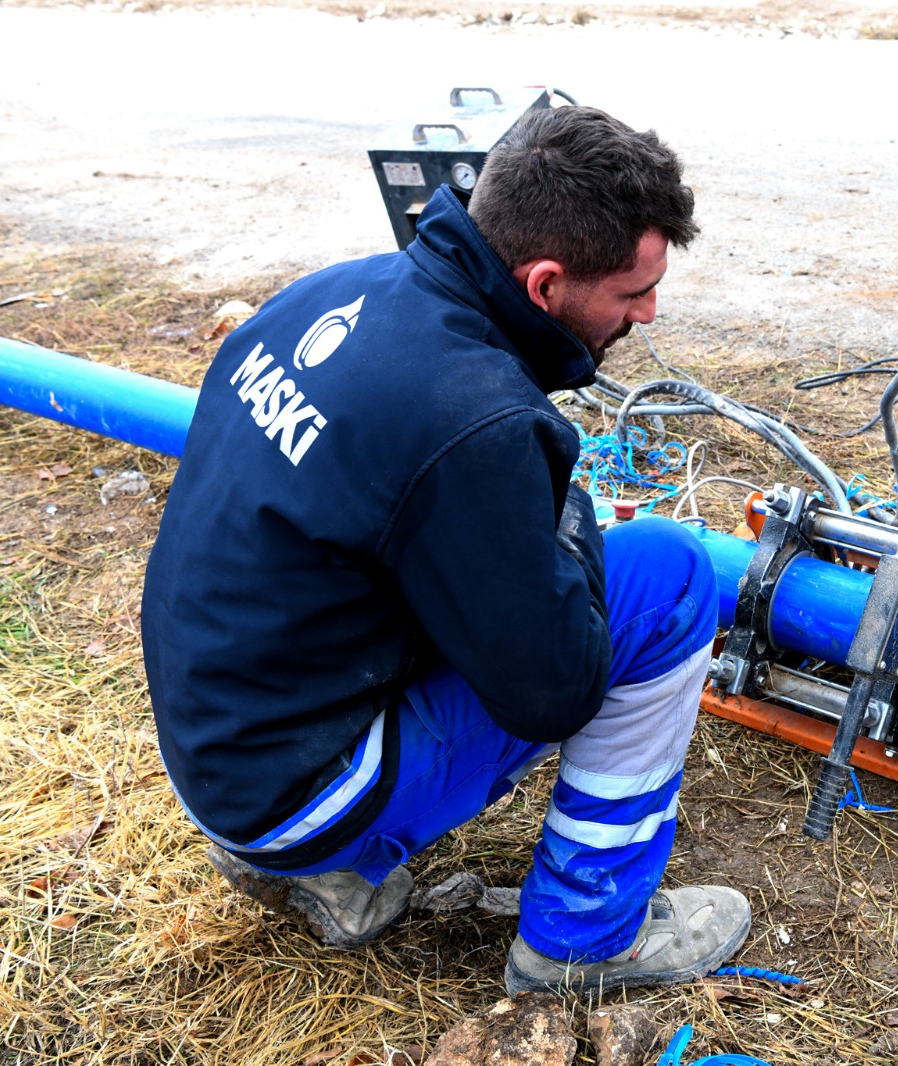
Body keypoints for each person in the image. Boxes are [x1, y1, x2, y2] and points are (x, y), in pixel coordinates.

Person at [140, 105, 750, 996]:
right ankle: (583, 939)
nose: (649, 312)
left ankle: (311, 869)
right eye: (631, 293)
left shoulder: (331, 293)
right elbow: (555, 690)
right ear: (544, 285)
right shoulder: (474, 420)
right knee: (668, 576)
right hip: (298, 793)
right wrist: (566, 508)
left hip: (219, 757)